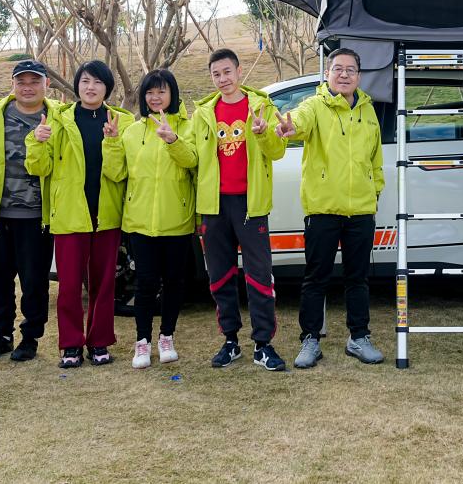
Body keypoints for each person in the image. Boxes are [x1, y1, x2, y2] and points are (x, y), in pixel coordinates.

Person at [275, 48, 385, 369]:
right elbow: (299, 121)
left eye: (351, 70)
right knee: (316, 278)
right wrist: (289, 128)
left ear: (359, 76)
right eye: (338, 69)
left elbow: (375, 159)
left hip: (360, 211)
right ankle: (310, 339)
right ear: (327, 74)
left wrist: (374, 191)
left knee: (358, 278)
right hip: (322, 209)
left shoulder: (368, 110)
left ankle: (359, 337)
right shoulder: (315, 105)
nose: (344, 74)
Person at [25, 59, 133, 368]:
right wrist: (37, 141)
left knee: (104, 283)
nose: (90, 87)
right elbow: (38, 167)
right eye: (85, 81)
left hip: (106, 213)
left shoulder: (122, 121)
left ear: (107, 88)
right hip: (70, 212)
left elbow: (119, 173)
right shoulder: (58, 119)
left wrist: (113, 142)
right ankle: (71, 345)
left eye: (98, 82)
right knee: (70, 285)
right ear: (77, 85)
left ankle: (99, 342)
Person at [190, 48, 288, 371]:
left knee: (259, 276)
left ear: (239, 71)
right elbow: (192, 156)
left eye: (227, 72)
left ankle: (263, 344)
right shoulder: (203, 113)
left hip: (250, 205)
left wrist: (263, 133)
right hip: (214, 206)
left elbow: (277, 151)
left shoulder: (261, 106)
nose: (222, 79)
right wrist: (173, 141)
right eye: (216, 74)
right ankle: (230, 341)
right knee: (220, 276)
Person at [102, 69, 198, 369]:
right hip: (140, 221)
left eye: (161, 91)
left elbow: (193, 161)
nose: (155, 97)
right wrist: (112, 142)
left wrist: (173, 140)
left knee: (174, 282)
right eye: (150, 92)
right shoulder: (132, 132)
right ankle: (142, 341)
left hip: (176, 220)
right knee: (145, 284)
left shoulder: (188, 127)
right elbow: (116, 173)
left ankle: (167, 336)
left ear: (172, 94)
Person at [0, 58, 58, 364]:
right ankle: (1, 335)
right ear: (13, 84)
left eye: (35, 82)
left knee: (34, 282)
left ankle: (30, 337)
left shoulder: (59, 117)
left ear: (47, 84)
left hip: (37, 216)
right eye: (21, 82)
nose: (27, 88)